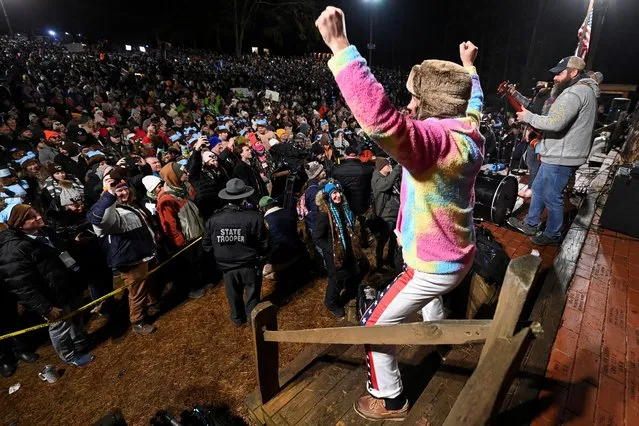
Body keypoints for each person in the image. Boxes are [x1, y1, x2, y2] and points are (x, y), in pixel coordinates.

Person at [315, 6, 484, 420]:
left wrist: (340, 48)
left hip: (431, 263)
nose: (411, 104)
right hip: (458, 252)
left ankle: (389, 397)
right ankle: (438, 337)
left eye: (417, 98)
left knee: (374, 324)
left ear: (433, 106)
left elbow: (381, 120)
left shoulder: (432, 145)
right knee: (432, 303)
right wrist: (469, 69)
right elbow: (474, 100)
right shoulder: (470, 130)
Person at [509, 56, 598, 245]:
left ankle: (552, 234)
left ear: (573, 72)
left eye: (560, 73)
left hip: (561, 157)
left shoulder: (574, 93)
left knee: (551, 196)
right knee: (539, 189)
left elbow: (555, 123)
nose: (555, 78)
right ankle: (532, 223)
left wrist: (529, 117)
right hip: (558, 153)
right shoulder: (583, 91)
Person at [0, 204, 95, 366]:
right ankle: (70, 356)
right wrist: (45, 308)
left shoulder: (45, 231)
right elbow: (22, 287)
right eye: (31, 217)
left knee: (76, 315)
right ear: (19, 224)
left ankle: (79, 340)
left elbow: (59, 250)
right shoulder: (14, 250)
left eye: (37, 213)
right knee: (60, 327)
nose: (38, 217)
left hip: (68, 285)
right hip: (52, 298)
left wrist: (73, 242)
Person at [87, 175, 160, 335]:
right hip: (130, 260)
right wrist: (109, 194)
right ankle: (138, 321)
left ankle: (151, 303)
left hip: (144, 254)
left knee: (146, 285)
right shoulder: (111, 214)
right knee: (136, 293)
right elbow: (97, 219)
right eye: (119, 190)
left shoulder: (132, 205)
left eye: (125, 188)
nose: (123, 193)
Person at [202, 178, 269, 326]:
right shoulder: (254, 217)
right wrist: (261, 256)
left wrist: (220, 255)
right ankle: (253, 320)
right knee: (252, 293)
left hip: (227, 267)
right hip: (249, 264)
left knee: (232, 294)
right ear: (244, 196)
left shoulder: (213, 220)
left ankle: (237, 319)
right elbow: (265, 242)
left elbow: (206, 244)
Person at [312, 181, 365, 319]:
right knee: (336, 281)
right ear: (328, 196)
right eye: (334, 193)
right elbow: (317, 237)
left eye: (339, 192)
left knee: (351, 274)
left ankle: (350, 294)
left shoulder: (345, 208)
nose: (338, 195)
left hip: (348, 250)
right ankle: (331, 303)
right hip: (334, 255)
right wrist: (332, 249)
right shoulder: (324, 215)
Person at [157, 161, 207, 299]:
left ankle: (202, 282)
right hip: (186, 239)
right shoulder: (166, 199)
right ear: (175, 177)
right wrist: (180, 241)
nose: (187, 173)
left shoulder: (183, 187)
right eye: (183, 173)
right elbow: (169, 225)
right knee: (189, 266)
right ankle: (192, 288)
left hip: (196, 231)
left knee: (199, 260)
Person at [371, 157, 401, 271]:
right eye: (387, 165)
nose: (390, 166)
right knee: (383, 240)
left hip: (395, 214)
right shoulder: (377, 179)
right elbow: (386, 185)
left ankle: (391, 259)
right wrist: (397, 169)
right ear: (382, 167)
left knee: (394, 240)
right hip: (385, 216)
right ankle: (379, 262)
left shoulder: (388, 176)